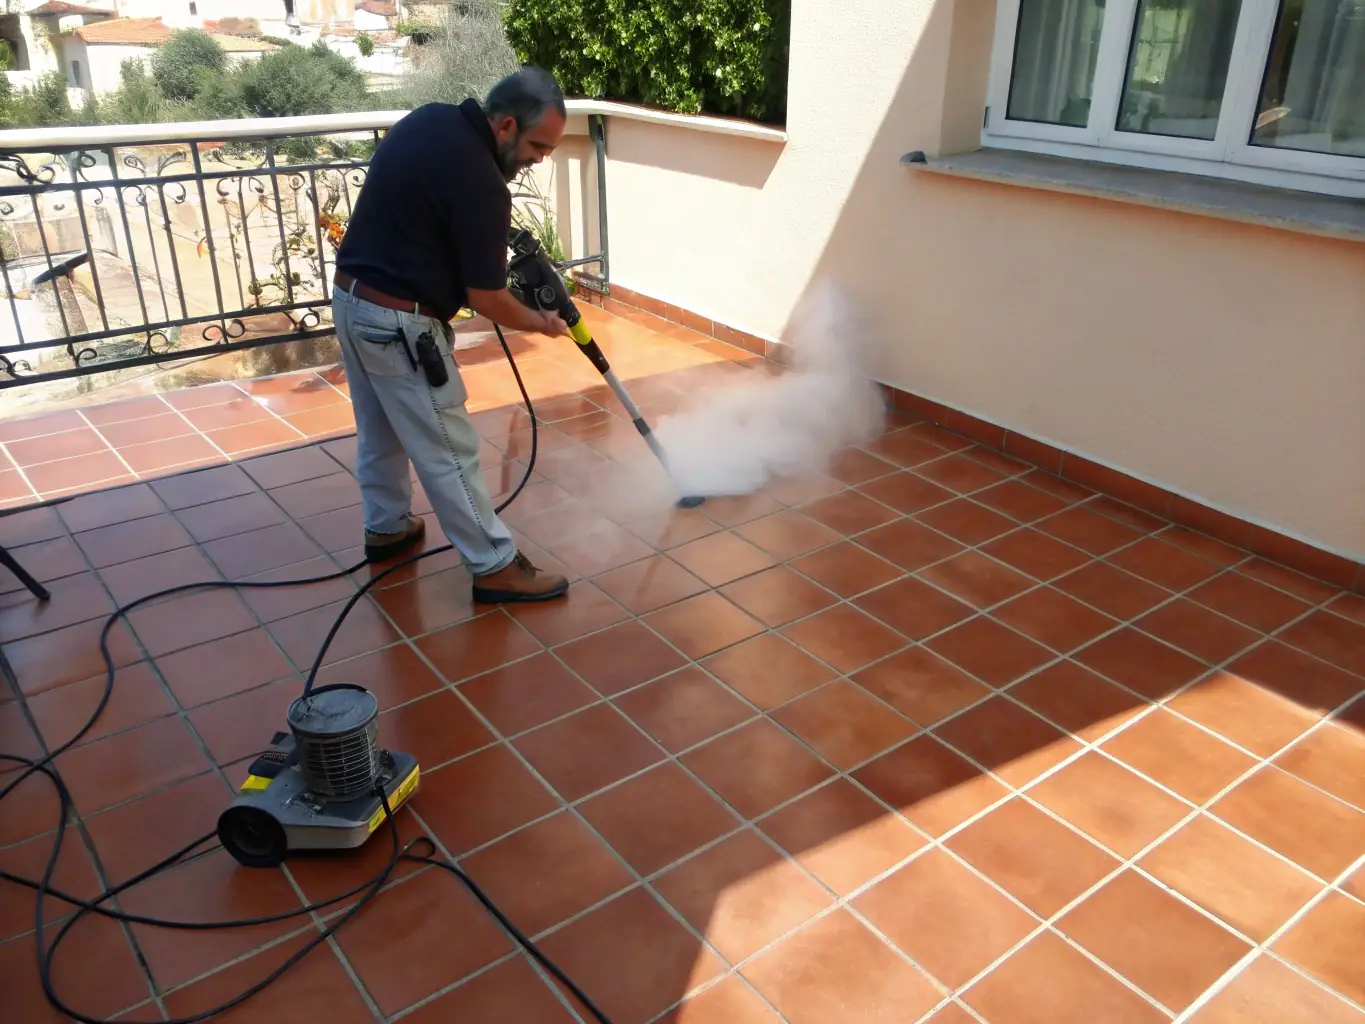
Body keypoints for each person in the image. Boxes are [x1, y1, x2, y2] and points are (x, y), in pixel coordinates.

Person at [332, 67, 571, 604]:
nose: (541, 158)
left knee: (381, 431)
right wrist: (541, 323)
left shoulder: (429, 120)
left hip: (351, 301)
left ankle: (387, 527)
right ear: (507, 125)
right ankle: (494, 564)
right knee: (448, 447)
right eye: (538, 145)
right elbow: (486, 296)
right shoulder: (482, 182)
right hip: (397, 323)